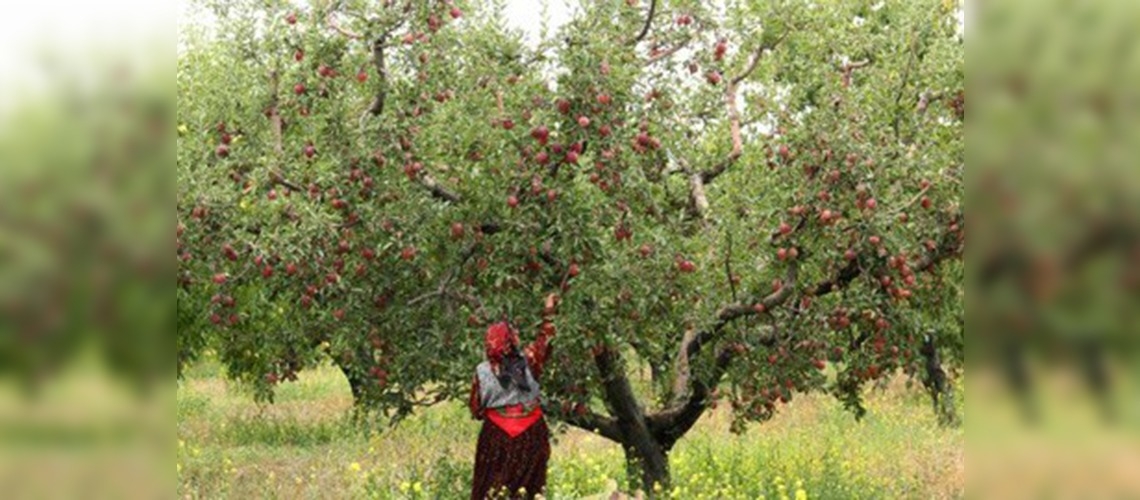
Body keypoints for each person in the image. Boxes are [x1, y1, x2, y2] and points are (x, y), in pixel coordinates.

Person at [468, 301, 556, 500]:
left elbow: (476, 409)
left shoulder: (481, 371)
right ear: (511, 341)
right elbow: (546, 338)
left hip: (496, 435)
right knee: (530, 489)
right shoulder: (530, 359)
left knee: (492, 487)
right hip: (531, 431)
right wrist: (549, 311)